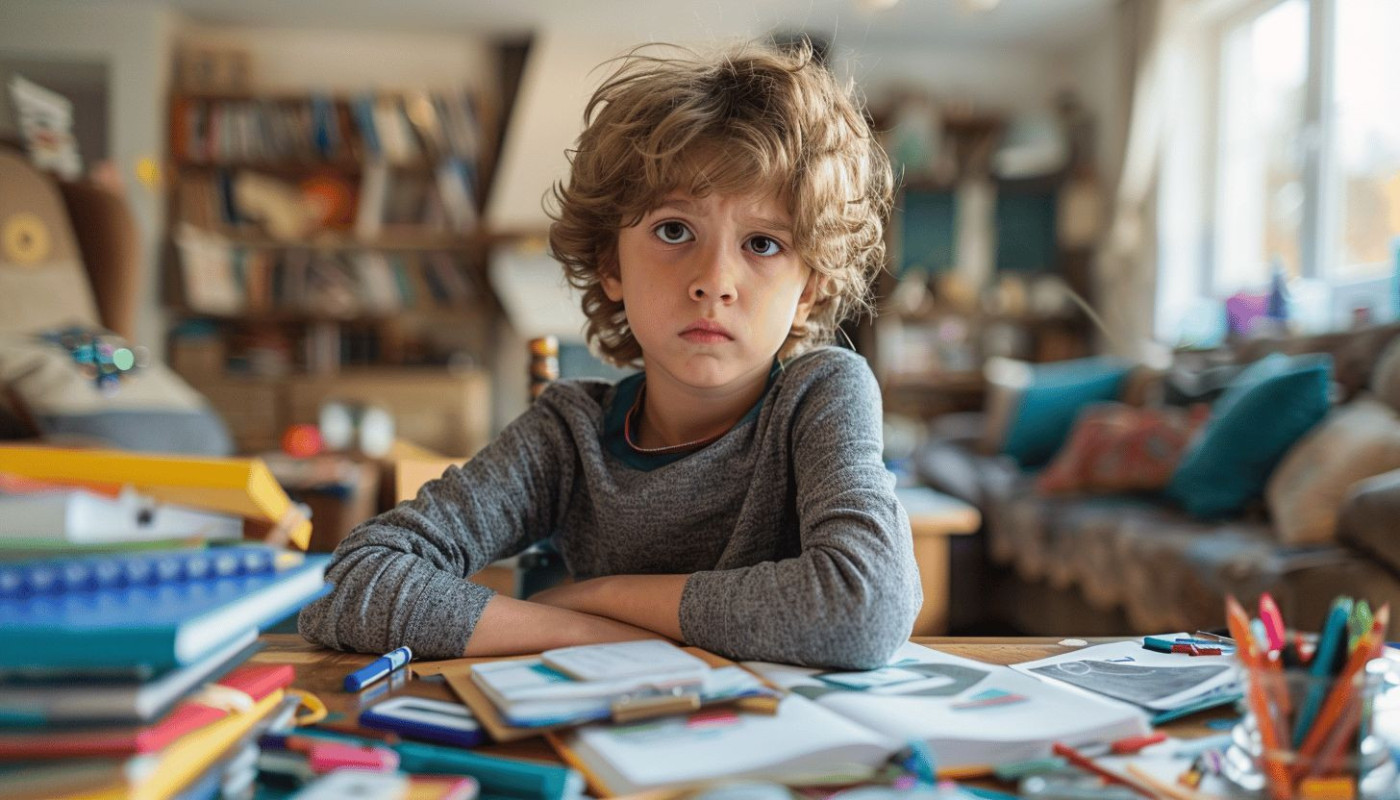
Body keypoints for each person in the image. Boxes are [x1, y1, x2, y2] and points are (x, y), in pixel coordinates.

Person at [299, 39, 920, 670]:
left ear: (810, 287)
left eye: (762, 244)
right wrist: (586, 632)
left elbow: (866, 608)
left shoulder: (821, 395)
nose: (714, 282)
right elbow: (349, 583)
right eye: (674, 230)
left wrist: (598, 596)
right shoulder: (568, 435)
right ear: (610, 264)